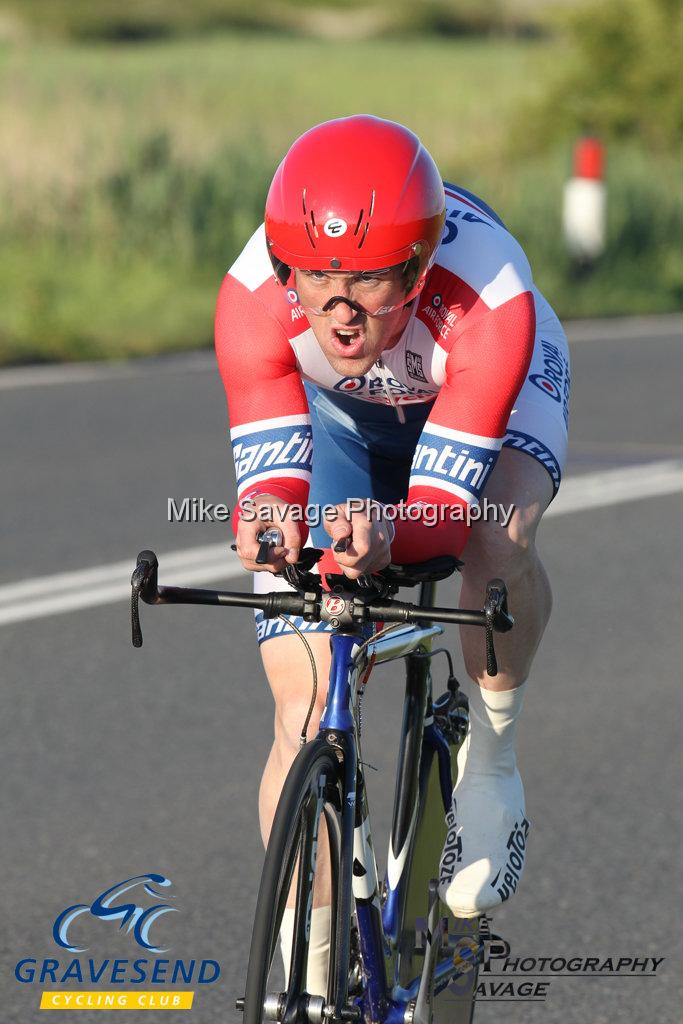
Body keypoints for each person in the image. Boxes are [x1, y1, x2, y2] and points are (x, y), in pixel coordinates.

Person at [214, 115, 570, 995]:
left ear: (416, 266)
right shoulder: (253, 294)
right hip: (342, 415)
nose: (338, 312)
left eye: (368, 280)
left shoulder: (488, 293)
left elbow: (443, 521)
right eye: (318, 280)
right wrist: (274, 525)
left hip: (486, 392)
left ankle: (490, 760)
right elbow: (271, 482)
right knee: (300, 705)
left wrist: (384, 534)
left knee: (495, 534)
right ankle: (311, 962)